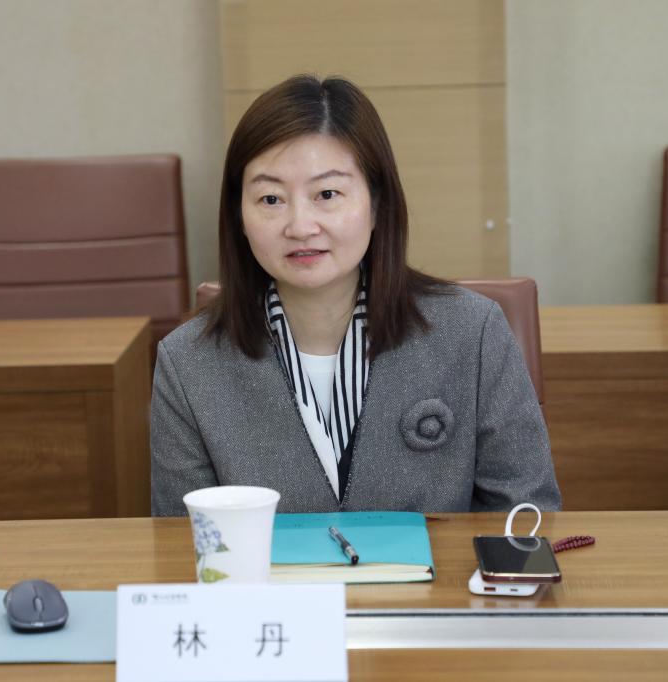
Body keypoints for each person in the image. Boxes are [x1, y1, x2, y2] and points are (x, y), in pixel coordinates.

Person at [151, 74, 561, 516]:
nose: (300, 226)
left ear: (377, 203)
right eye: (270, 199)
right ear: (238, 215)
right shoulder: (187, 363)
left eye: (327, 194)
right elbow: (182, 542)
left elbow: (525, 518)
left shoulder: (472, 333)